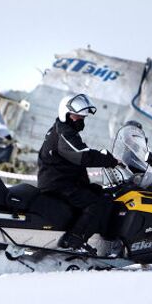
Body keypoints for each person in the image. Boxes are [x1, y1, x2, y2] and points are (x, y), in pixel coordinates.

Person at [37, 93, 119, 249]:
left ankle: (104, 240)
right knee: (96, 204)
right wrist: (110, 160)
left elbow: (74, 160)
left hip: (63, 180)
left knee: (102, 193)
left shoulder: (61, 129)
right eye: (77, 116)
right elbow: (82, 155)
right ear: (65, 114)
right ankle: (74, 240)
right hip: (58, 184)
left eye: (83, 117)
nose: (80, 120)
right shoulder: (65, 133)